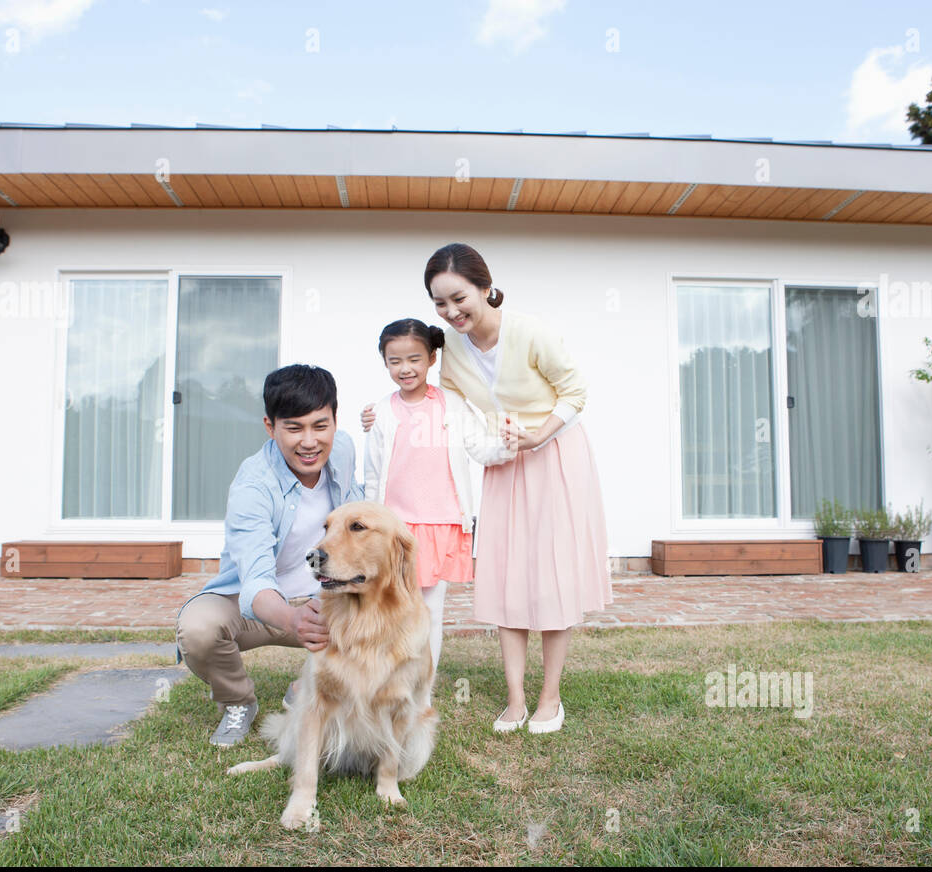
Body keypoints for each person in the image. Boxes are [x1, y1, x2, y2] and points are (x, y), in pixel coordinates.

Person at [363, 243, 612, 735]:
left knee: (552, 576)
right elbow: (446, 401)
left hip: (555, 455)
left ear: (484, 286)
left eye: (459, 298)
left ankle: (550, 697)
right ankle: (515, 699)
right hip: (504, 461)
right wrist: (383, 411)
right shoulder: (450, 347)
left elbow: (576, 391)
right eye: (440, 304)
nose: (451, 311)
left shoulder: (529, 332)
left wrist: (539, 435)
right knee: (506, 575)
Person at [176, 364, 363, 747]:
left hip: (324, 596)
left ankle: (308, 686)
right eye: (294, 428)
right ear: (270, 426)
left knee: (381, 602)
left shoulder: (342, 449)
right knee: (198, 629)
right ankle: (238, 702)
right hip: (262, 606)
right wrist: (293, 619)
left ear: (334, 420)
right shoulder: (253, 486)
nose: (309, 441)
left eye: (319, 425)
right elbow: (257, 579)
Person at [363, 318, 514, 670]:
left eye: (414, 359)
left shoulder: (452, 405)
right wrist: (369, 524)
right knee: (390, 608)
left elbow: (481, 448)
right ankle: (390, 678)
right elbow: (372, 474)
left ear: (431, 358)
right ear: (385, 362)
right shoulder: (381, 412)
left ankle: (423, 686)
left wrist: (508, 445)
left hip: (441, 525)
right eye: (394, 361)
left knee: (430, 611)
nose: (405, 368)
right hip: (394, 529)